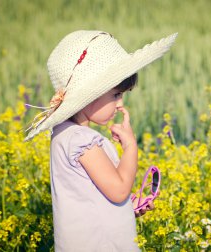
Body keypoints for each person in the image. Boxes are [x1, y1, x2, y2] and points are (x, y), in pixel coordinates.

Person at [24, 30, 177, 251]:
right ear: (89, 96)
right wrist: (131, 147)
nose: (120, 104)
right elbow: (119, 190)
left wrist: (126, 207)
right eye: (116, 95)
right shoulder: (80, 140)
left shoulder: (66, 135)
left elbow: (95, 196)